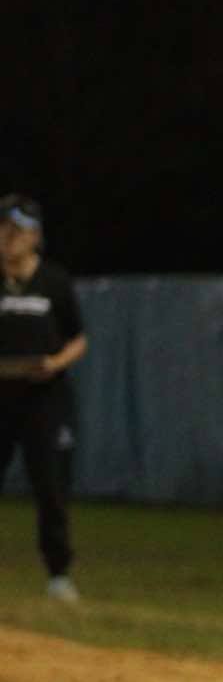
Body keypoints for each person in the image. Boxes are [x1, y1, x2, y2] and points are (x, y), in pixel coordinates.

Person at [0, 194, 87, 602]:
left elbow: (78, 339)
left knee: (50, 487)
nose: (7, 237)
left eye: (16, 230)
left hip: (43, 400)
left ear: (35, 236)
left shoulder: (54, 281)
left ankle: (58, 574)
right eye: (2, 228)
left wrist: (54, 363)